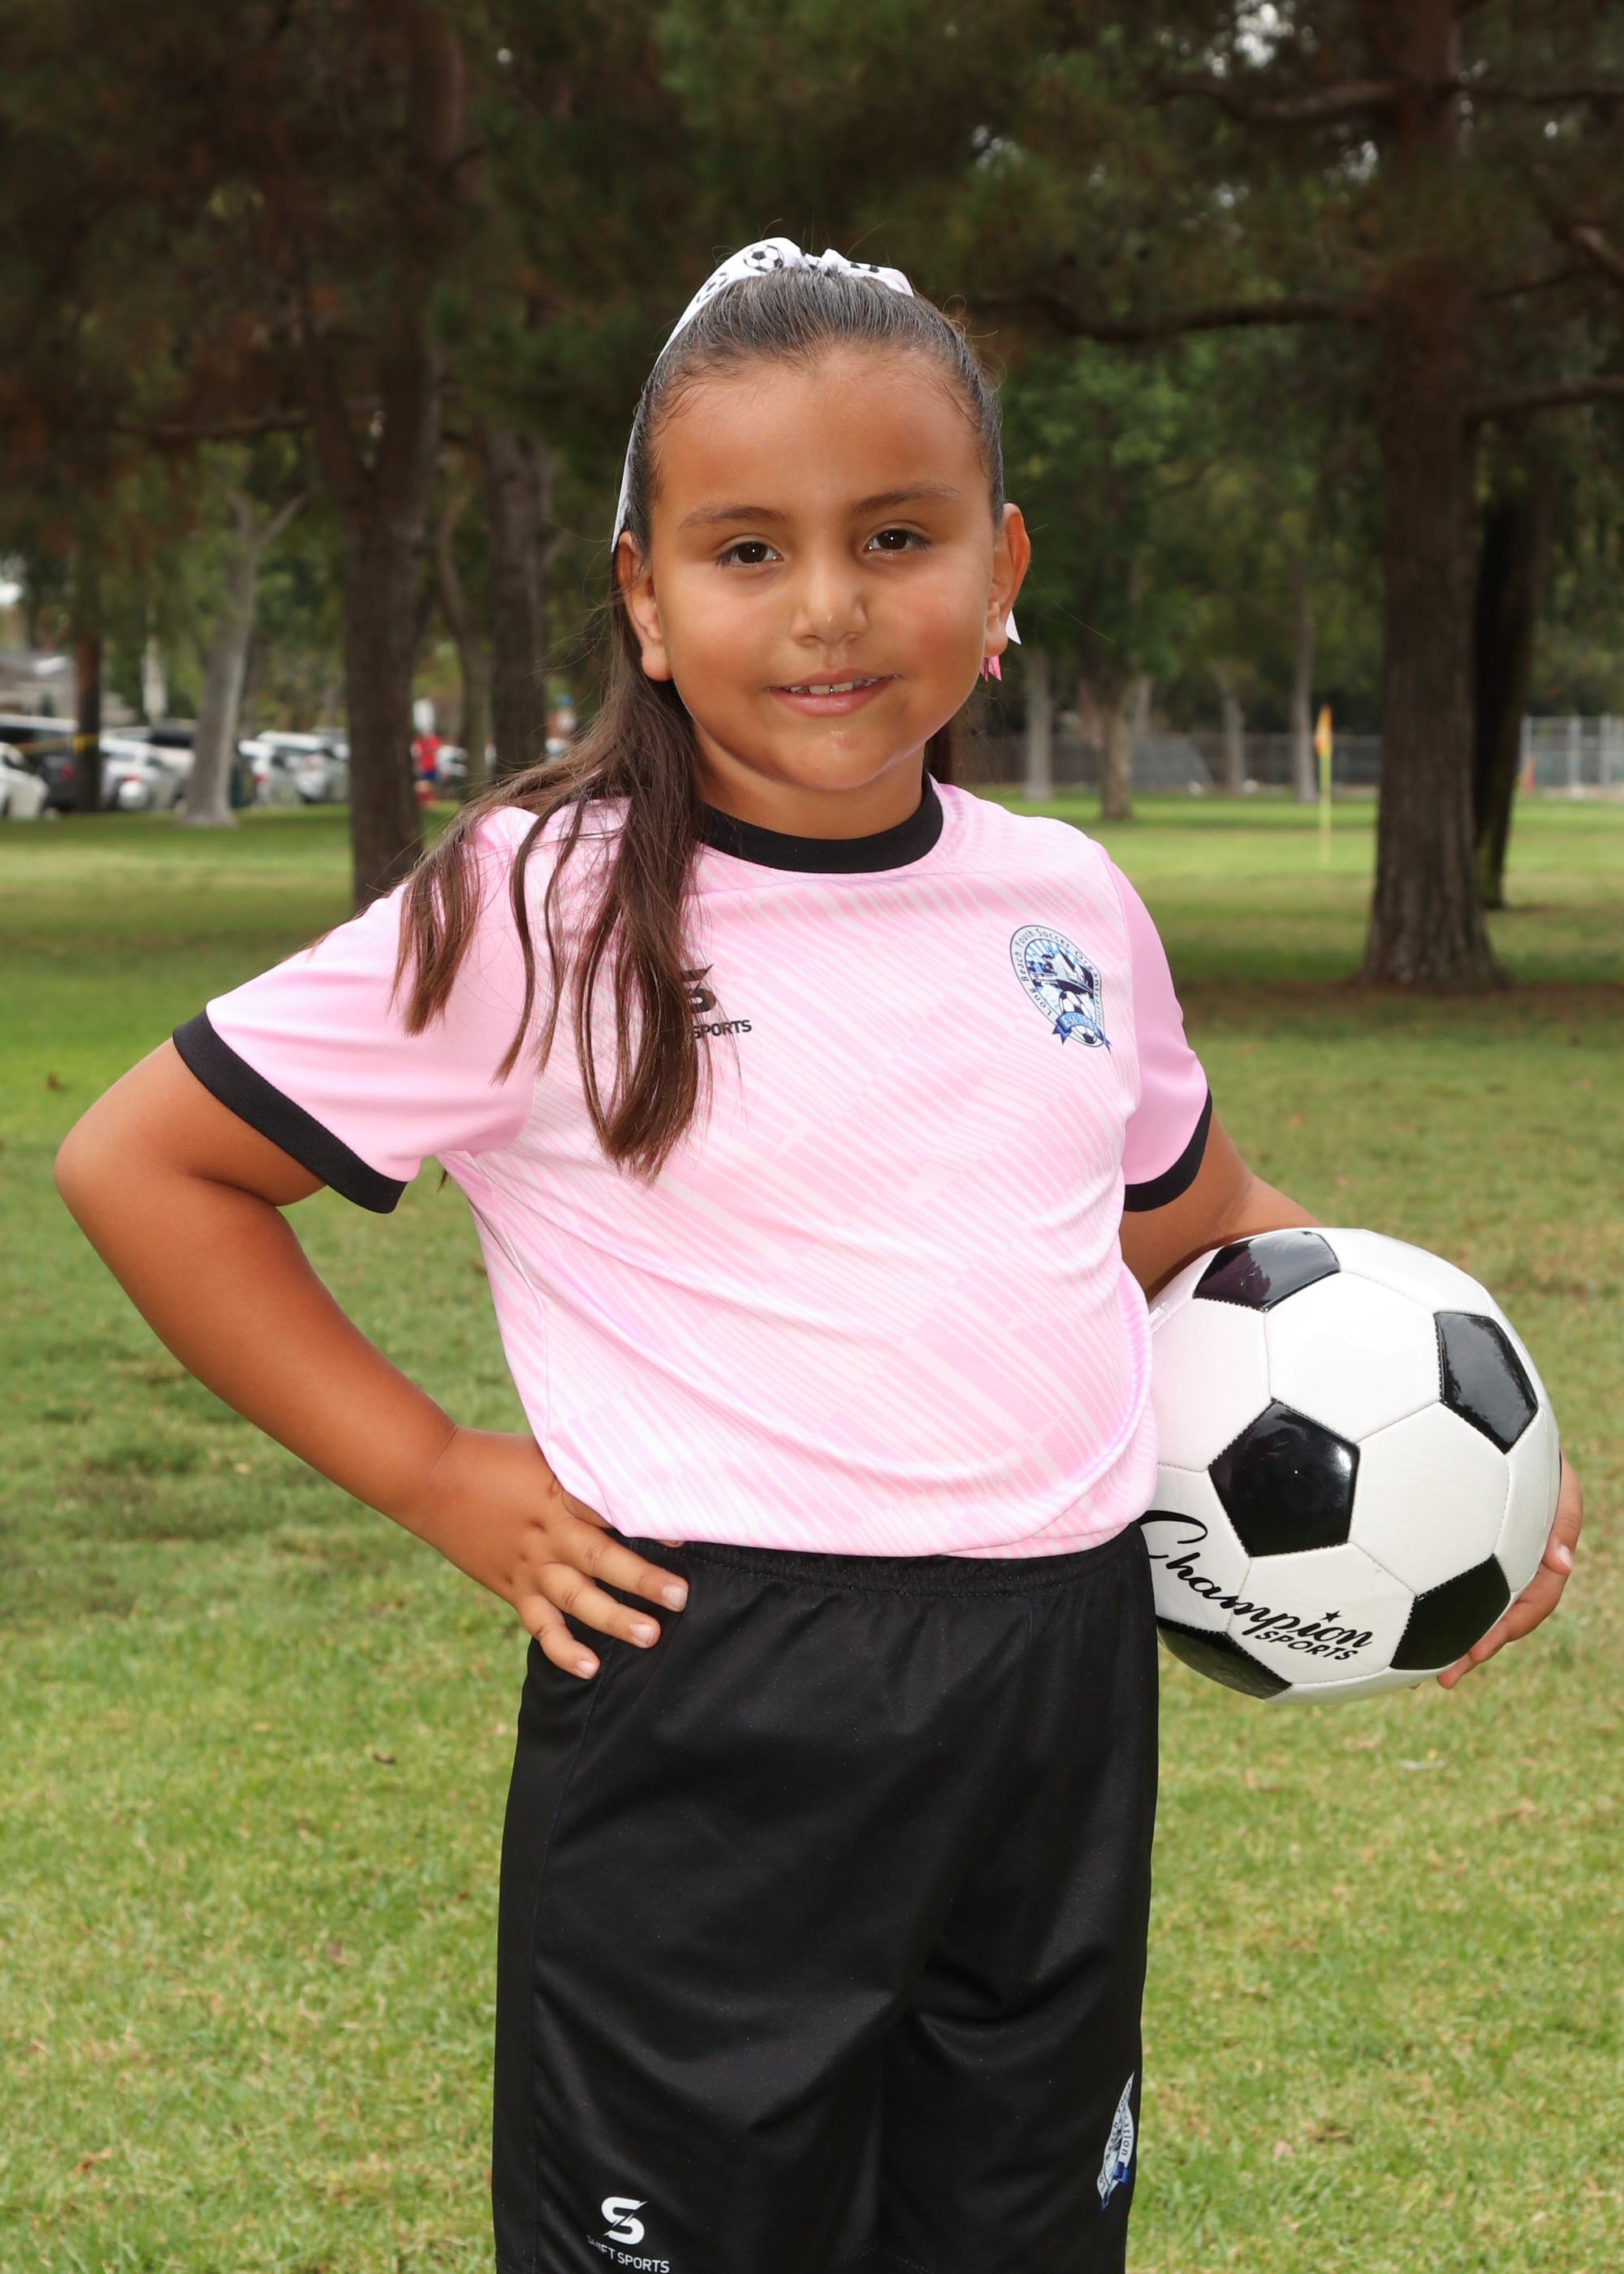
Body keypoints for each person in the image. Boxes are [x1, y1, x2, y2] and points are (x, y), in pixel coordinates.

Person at [56, 243, 1582, 2274]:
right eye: (748, 549)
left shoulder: (1066, 904)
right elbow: (146, 1163)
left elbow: (1197, 1220)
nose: (829, 606)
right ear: (645, 596)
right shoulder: (541, 903)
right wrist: (436, 1472)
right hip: (721, 1698)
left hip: (1052, 1691)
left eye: (895, 536)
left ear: (999, 562)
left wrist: (1468, 1462)